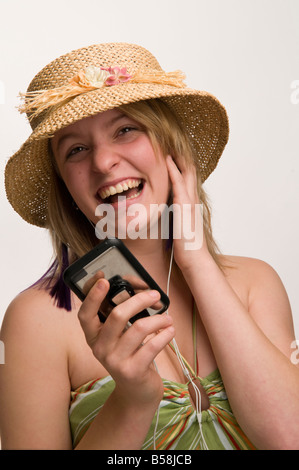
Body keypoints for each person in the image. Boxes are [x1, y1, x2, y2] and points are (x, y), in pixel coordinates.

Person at [1, 42, 298, 451]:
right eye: (76, 150)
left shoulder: (255, 284)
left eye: (126, 129)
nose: (104, 162)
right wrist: (132, 399)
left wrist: (195, 260)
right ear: (65, 188)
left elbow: (289, 438)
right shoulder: (35, 322)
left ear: (172, 147)